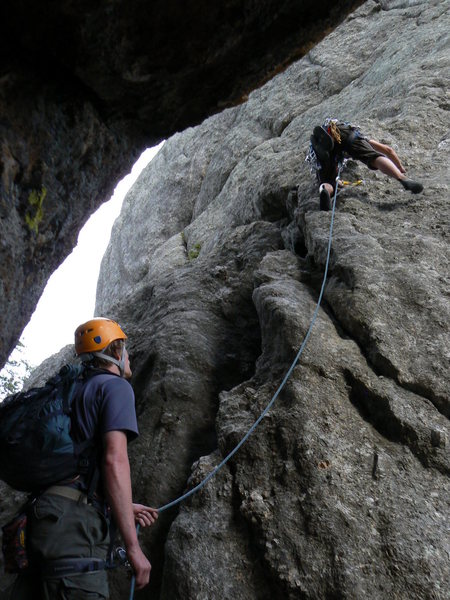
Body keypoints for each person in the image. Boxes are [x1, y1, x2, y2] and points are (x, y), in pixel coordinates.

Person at [3, 317, 158, 599]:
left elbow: (80, 463)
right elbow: (114, 462)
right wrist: (133, 547)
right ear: (116, 351)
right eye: (126, 348)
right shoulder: (115, 387)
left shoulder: (75, 390)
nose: (129, 355)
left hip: (44, 518)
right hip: (72, 529)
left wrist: (120, 505)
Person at [308, 118, 424, 210]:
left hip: (321, 147)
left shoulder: (323, 147)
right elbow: (388, 150)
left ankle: (325, 190)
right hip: (342, 133)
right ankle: (402, 178)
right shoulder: (359, 136)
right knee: (373, 157)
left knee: (327, 181)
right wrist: (400, 168)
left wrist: (337, 181)